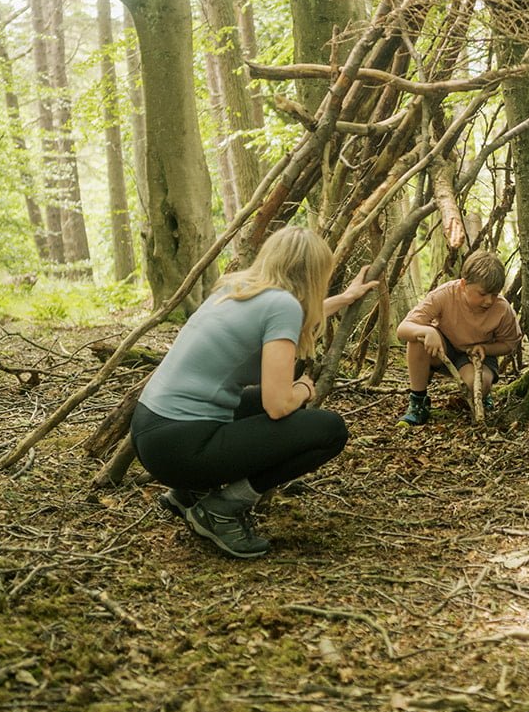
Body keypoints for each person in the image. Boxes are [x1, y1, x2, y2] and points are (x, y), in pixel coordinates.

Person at [130, 227, 376, 558]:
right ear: (314, 273)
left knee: (262, 406)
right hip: (182, 448)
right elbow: (278, 405)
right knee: (329, 429)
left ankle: (189, 493)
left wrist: (345, 299)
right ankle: (222, 508)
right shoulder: (282, 306)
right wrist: (303, 390)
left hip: (152, 434)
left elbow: (293, 320)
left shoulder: (237, 288)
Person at [396, 250, 520, 425]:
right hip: (443, 350)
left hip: (476, 357)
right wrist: (428, 332)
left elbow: (510, 343)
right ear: (463, 284)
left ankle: (482, 396)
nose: (489, 301)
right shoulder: (445, 294)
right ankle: (418, 402)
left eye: (494, 294)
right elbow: (403, 329)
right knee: (417, 339)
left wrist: (486, 348)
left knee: (477, 384)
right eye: (482, 294)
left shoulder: (501, 309)